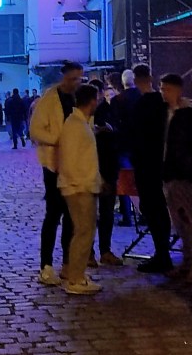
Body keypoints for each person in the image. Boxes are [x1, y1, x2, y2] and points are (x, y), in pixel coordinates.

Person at [30, 61, 83, 285]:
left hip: (74, 165)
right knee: (53, 214)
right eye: (72, 78)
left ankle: (68, 264)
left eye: (79, 78)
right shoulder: (50, 99)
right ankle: (46, 265)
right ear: (64, 77)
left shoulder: (78, 98)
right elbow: (35, 130)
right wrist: (59, 140)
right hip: (54, 165)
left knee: (71, 215)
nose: (76, 83)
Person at [57, 84, 103, 294]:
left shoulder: (78, 123)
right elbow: (70, 159)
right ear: (92, 101)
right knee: (83, 232)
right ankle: (75, 278)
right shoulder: (75, 125)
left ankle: (77, 274)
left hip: (81, 184)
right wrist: (80, 183)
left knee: (84, 232)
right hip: (80, 187)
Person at [159, 74, 192, 282]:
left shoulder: (188, 115)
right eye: (162, 89)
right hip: (170, 174)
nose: (163, 93)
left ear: (177, 90)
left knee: (190, 221)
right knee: (179, 221)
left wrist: (188, 170)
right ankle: (187, 262)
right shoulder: (166, 113)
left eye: (166, 89)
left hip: (185, 176)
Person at [129, 64, 172, 274]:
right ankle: (163, 252)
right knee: (159, 208)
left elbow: (134, 136)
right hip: (159, 162)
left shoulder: (141, 105)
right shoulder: (161, 103)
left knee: (152, 208)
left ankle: (162, 254)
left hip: (145, 164)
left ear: (136, 80)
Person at [88, 78, 123, 267]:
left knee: (107, 212)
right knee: (89, 214)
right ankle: (89, 252)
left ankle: (105, 250)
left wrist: (109, 130)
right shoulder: (83, 114)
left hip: (108, 167)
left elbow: (119, 132)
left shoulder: (109, 110)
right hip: (90, 169)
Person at [114, 69, 140, 226]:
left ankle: (127, 215)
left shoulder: (118, 100)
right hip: (140, 146)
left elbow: (116, 123)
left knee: (124, 180)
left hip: (124, 145)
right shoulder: (142, 97)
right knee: (140, 181)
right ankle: (144, 214)